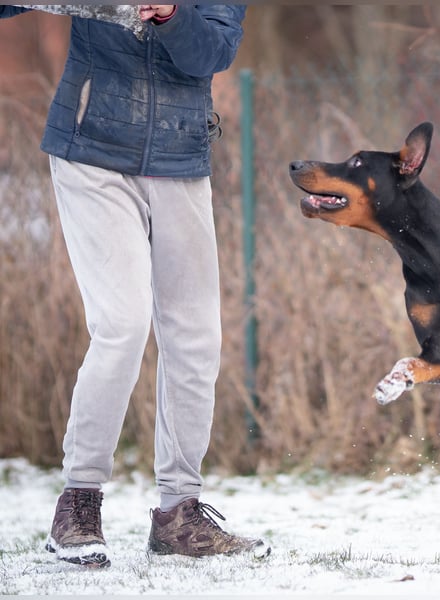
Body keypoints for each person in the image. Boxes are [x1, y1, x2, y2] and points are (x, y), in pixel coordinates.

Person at [0, 5, 267, 566]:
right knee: (121, 324)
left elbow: (211, 54)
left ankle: (179, 515)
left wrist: (171, 14)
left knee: (195, 339)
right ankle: (79, 503)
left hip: (180, 158)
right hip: (91, 155)